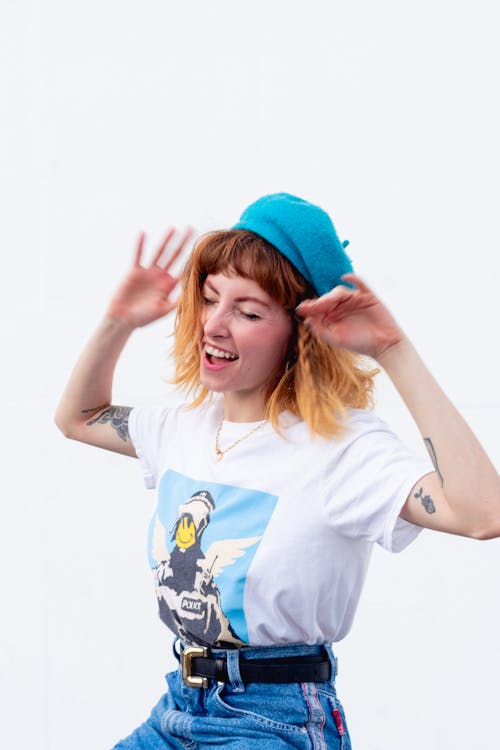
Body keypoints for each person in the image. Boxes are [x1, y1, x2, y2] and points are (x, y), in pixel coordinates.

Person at [55, 193, 500, 749]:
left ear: (301, 333)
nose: (214, 326)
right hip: (179, 706)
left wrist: (393, 349)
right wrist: (118, 322)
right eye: (211, 299)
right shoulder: (184, 429)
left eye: (247, 312)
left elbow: (483, 514)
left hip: (274, 719)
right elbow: (77, 417)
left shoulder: (341, 450)